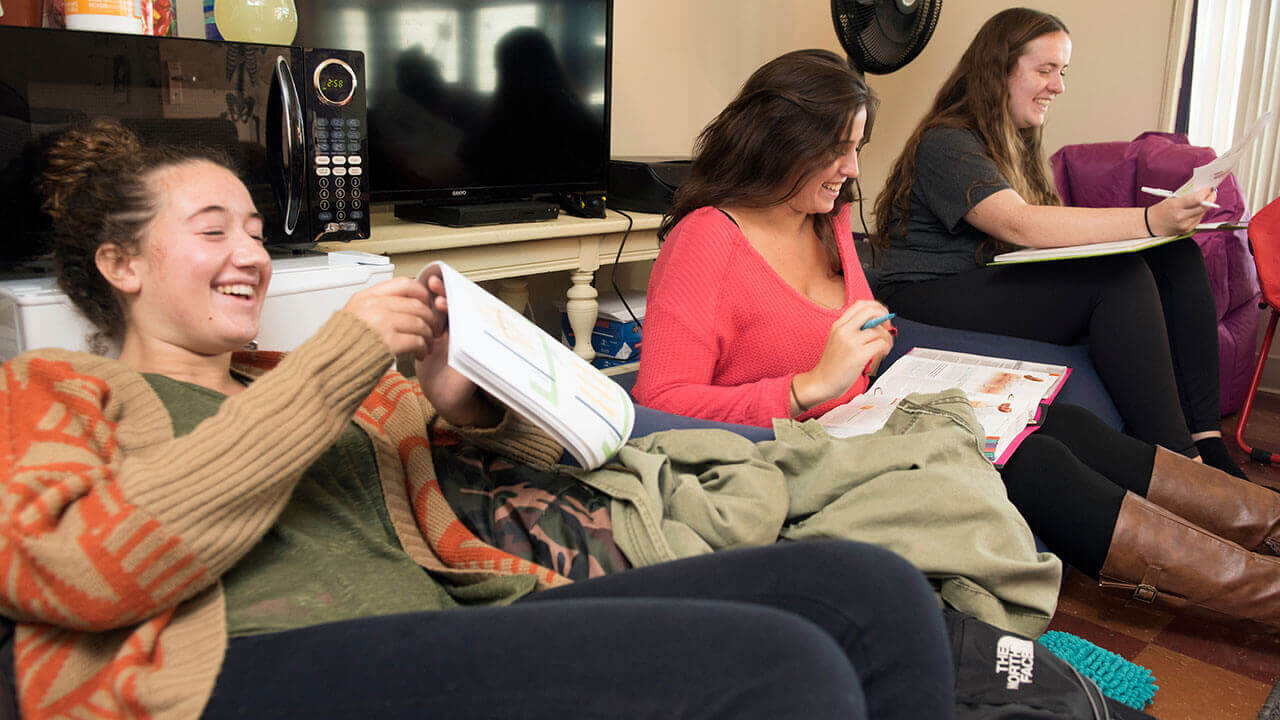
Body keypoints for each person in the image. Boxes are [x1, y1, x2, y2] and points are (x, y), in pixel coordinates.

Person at [0, 120, 954, 720]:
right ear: (122, 266)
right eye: (214, 231)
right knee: (780, 668)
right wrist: (335, 366)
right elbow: (79, 567)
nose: (249, 254)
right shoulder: (56, 392)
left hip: (437, 628)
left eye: (256, 230)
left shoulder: (303, 382)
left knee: (867, 590)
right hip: (239, 670)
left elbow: (570, 453)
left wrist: (472, 402)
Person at [634, 48, 1280, 633]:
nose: (852, 169)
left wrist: (886, 357)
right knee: (1033, 461)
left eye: (858, 145)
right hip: (797, 450)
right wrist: (806, 389)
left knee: (1060, 425)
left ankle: (1271, 528)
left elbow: (861, 335)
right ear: (779, 143)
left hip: (873, 421)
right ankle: (1269, 596)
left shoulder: (823, 221)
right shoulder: (708, 239)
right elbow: (658, 403)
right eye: (838, 149)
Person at [869, 7, 1245, 479]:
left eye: (1061, 72)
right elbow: (1021, 226)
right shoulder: (947, 141)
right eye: (1045, 70)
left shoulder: (1016, 143)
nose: (1058, 86)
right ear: (996, 71)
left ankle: (1206, 440)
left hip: (990, 272)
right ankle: (1180, 466)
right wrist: (1150, 219)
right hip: (930, 288)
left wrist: (1158, 233)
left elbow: (1034, 239)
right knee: (1119, 279)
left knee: (1177, 255)